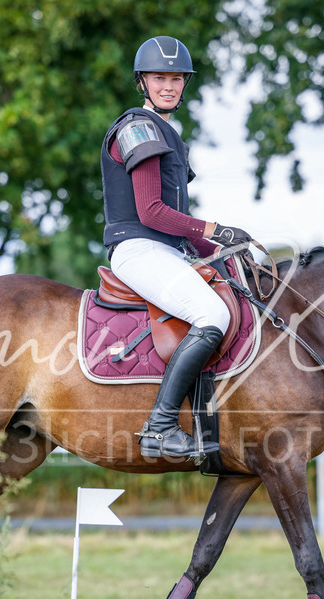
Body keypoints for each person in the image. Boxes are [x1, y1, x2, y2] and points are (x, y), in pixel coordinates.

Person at [100, 36, 253, 460]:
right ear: (142, 82)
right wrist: (216, 229)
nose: (168, 86)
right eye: (159, 78)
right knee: (213, 314)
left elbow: (178, 225)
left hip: (164, 251)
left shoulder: (165, 131)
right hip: (138, 249)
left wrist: (225, 246)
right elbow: (151, 212)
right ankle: (161, 427)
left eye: (176, 79)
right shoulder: (138, 129)